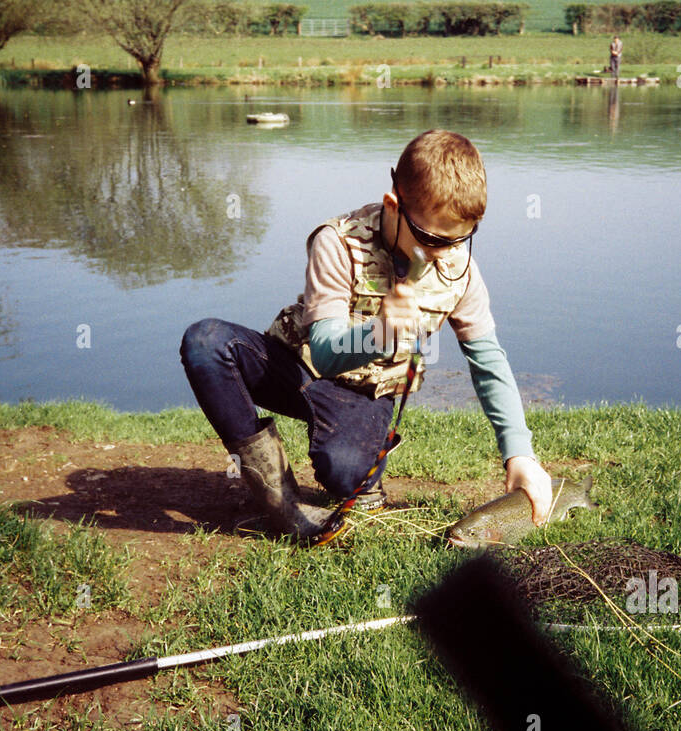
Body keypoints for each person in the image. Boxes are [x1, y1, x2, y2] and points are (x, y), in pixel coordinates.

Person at [179, 129, 553, 541]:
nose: (441, 254)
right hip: (298, 368)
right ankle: (280, 503)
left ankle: (360, 467)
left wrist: (519, 453)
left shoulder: (459, 270)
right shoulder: (336, 242)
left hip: (364, 394)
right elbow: (322, 353)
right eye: (430, 238)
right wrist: (379, 333)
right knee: (206, 343)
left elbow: (489, 362)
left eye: (459, 239)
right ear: (394, 204)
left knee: (344, 472)